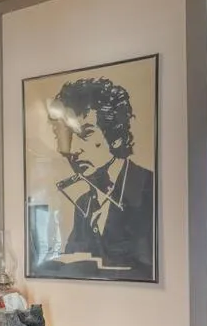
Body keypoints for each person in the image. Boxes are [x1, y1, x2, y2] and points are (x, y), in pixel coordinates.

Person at [42, 76, 155, 280]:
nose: (73, 150)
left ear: (116, 135)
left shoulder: (149, 189)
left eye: (86, 134)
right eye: (66, 137)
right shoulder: (83, 204)